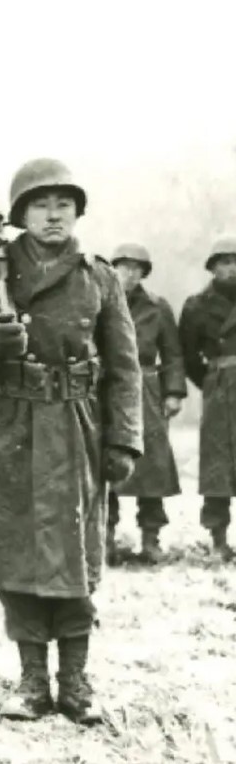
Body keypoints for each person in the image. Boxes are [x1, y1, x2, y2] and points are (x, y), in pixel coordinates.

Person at [0, 157, 142, 724]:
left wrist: (124, 441)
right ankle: (33, 682)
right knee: (19, 556)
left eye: (63, 205)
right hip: (13, 427)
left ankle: (75, 682)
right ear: (20, 215)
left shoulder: (99, 276)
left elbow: (125, 366)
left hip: (79, 426)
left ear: (77, 212)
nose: (53, 215)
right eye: (40, 205)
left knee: (77, 556)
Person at [106, 243, 185, 564]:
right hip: (109, 389)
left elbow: (174, 353)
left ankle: (151, 539)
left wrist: (174, 392)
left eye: (137, 268)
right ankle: (105, 537)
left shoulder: (157, 307)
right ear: (113, 270)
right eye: (124, 267)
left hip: (147, 390)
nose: (130, 273)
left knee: (152, 466)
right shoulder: (101, 303)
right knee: (107, 463)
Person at [178, 236, 236, 561]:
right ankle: (218, 539)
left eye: (235, 261)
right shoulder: (196, 306)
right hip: (219, 392)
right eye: (224, 262)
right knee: (218, 465)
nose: (231, 268)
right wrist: (214, 381)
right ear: (212, 267)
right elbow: (187, 357)